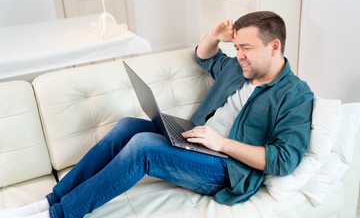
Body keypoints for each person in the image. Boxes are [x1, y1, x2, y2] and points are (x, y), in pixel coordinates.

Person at [0, 11, 314, 218]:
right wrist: (216, 34)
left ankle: (59, 215)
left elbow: (283, 160)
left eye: (246, 47)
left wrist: (222, 143)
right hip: (197, 139)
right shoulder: (238, 68)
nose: (239, 54)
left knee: (144, 148)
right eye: (237, 47)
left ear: (274, 47)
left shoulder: (295, 95)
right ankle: (50, 201)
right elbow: (203, 56)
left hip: (228, 170)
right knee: (127, 127)